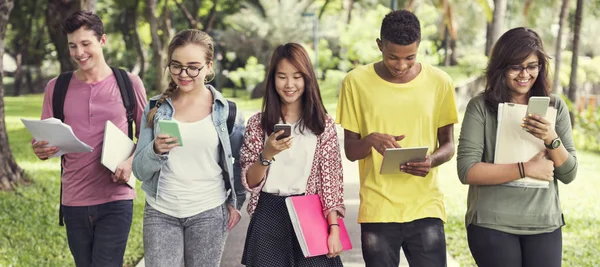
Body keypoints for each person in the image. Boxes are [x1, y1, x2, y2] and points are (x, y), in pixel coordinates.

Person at [336, 10, 458, 267]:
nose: (401, 65)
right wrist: (370, 140)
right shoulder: (355, 82)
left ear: (419, 47)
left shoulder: (440, 82)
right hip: (378, 208)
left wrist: (431, 160)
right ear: (379, 45)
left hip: (426, 206)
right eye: (392, 57)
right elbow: (350, 150)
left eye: (410, 58)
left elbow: (448, 144)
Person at [31, 11, 147, 267]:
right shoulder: (56, 87)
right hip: (74, 199)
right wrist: (41, 148)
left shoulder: (129, 83)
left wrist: (130, 163)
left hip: (115, 197)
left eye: (86, 44)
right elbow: (44, 136)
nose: (79, 52)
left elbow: (146, 135)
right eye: (73, 45)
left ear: (102, 41)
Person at [456, 27, 578, 267]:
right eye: (516, 66)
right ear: (501, 67)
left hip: (544, 222)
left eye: (532, 66)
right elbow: (467, 171)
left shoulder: (555, 106)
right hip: (492, 223)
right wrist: (526, 168)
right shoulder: (481, 106)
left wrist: (551, 138)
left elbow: (569, 173)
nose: (524, 74)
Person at [131, 29, 246, 267]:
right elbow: (140, 171)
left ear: (209, 67)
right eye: (176, 66)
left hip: (209, 213)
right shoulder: (155, 108)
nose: (183, 74)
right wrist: (156, 150)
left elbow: (239, 164)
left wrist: (236, 203)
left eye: (193, 67)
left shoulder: (227, 111)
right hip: (161, 212)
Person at [240, 43, 345, 267]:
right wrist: (266, 154)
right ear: (272, 79)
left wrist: (333, 228)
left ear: (307, 79)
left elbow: (331, 183)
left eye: (297, 76)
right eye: (282, 77)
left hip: (311, 213)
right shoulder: (258, 124)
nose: (290, 85)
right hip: (268, 214)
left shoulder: (322, 125)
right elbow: (250, 182)